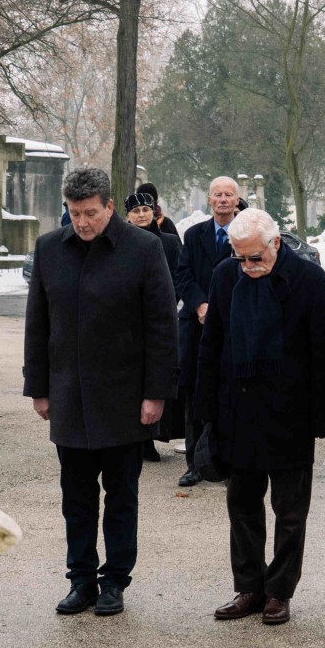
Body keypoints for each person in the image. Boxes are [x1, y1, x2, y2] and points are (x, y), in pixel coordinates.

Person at [24, 166, 178, 617]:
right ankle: (81, 579)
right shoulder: (50, 249)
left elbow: (162, 327)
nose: (84, 222)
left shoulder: (144, 249)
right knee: (76, 498)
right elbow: (38, 324)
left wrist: (157, 393)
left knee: (121, 496)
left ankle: (114, 581)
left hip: (124, 397)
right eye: (75, 213)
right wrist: (38, 387)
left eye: (91, 212)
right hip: (69, 394)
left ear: (110, 207)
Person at [198, 207, 325, 627]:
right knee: (241, 505)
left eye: (254, 257)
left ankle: (279, 591)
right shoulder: (226, 276)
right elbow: (212, 345)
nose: (247, 266)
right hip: (238, 411)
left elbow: (324, 354)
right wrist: (205, 409)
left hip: (289, 413)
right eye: (240, 257)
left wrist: (324, 418)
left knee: (290, 511)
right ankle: (249, 587)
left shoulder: (309, 281)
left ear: (276, 243)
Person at [173, 177, 239, 486]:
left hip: (233, 328)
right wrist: (200, 305)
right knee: (194, 393)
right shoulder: (194, 234)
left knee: (229, 393)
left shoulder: (245, 234)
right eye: (218, 195)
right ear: (210, 201)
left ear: (237, 200)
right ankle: (194, 463)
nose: (223, 199)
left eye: (229, 195)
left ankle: (228, 461)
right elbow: (183, 274)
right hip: (195, 327)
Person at [125, 191, 185, 461]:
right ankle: (135, 438)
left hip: (160, 316)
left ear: (154, 212)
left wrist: (168, 302)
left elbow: (178, 274)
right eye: (136, 211)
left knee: (158, 377)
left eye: (145, 210)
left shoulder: (170, 243)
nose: (141, 215)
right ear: (127, 215)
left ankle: (153, 435)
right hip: (129, 321)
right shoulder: (122, 243)